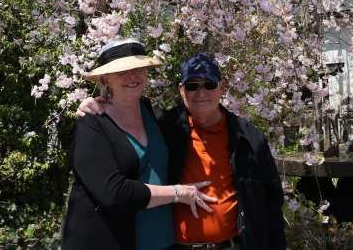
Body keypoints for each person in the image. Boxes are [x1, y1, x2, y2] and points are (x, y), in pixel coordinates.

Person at [79, 53, 286, 250]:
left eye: (209, 84)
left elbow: (271, 203)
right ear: (181, 90)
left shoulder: (248, 138)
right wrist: (94, 103)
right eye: (192, 86)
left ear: (223, 88)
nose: (201, 93)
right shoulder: (164, 129)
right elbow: (121, 129)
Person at [62, 39, 217, 250]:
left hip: (163, 241)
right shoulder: (92, 123)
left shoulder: (146, 109)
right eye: (122, 72)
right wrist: (179, 193)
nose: (132, 76)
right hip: (111, 241)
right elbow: (114, 193)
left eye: (138, 69)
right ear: (105, 79)